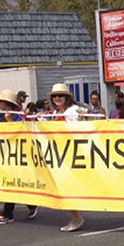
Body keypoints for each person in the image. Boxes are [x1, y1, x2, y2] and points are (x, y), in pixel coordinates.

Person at [0, 91, 39, 225]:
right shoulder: (1, 117)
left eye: (1, 102)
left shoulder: (17, 116)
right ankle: (31, 204)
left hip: (19, 154)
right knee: (14, 182)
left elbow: (20, 133)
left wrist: (10, 121)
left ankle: (7, 213)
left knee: (12, 182)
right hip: (7, 154)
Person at [44, 83, 87, 232]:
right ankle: (75, 217)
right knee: (62, 189)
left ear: (67, 97)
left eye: (60, 95)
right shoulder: (54, 113)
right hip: (59, 154)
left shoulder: (73, 111)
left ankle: (76, 217)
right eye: (54, 96)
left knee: (66, 188)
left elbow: (82, 128)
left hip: (72, 154)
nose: (57, 98)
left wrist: (82, 119)